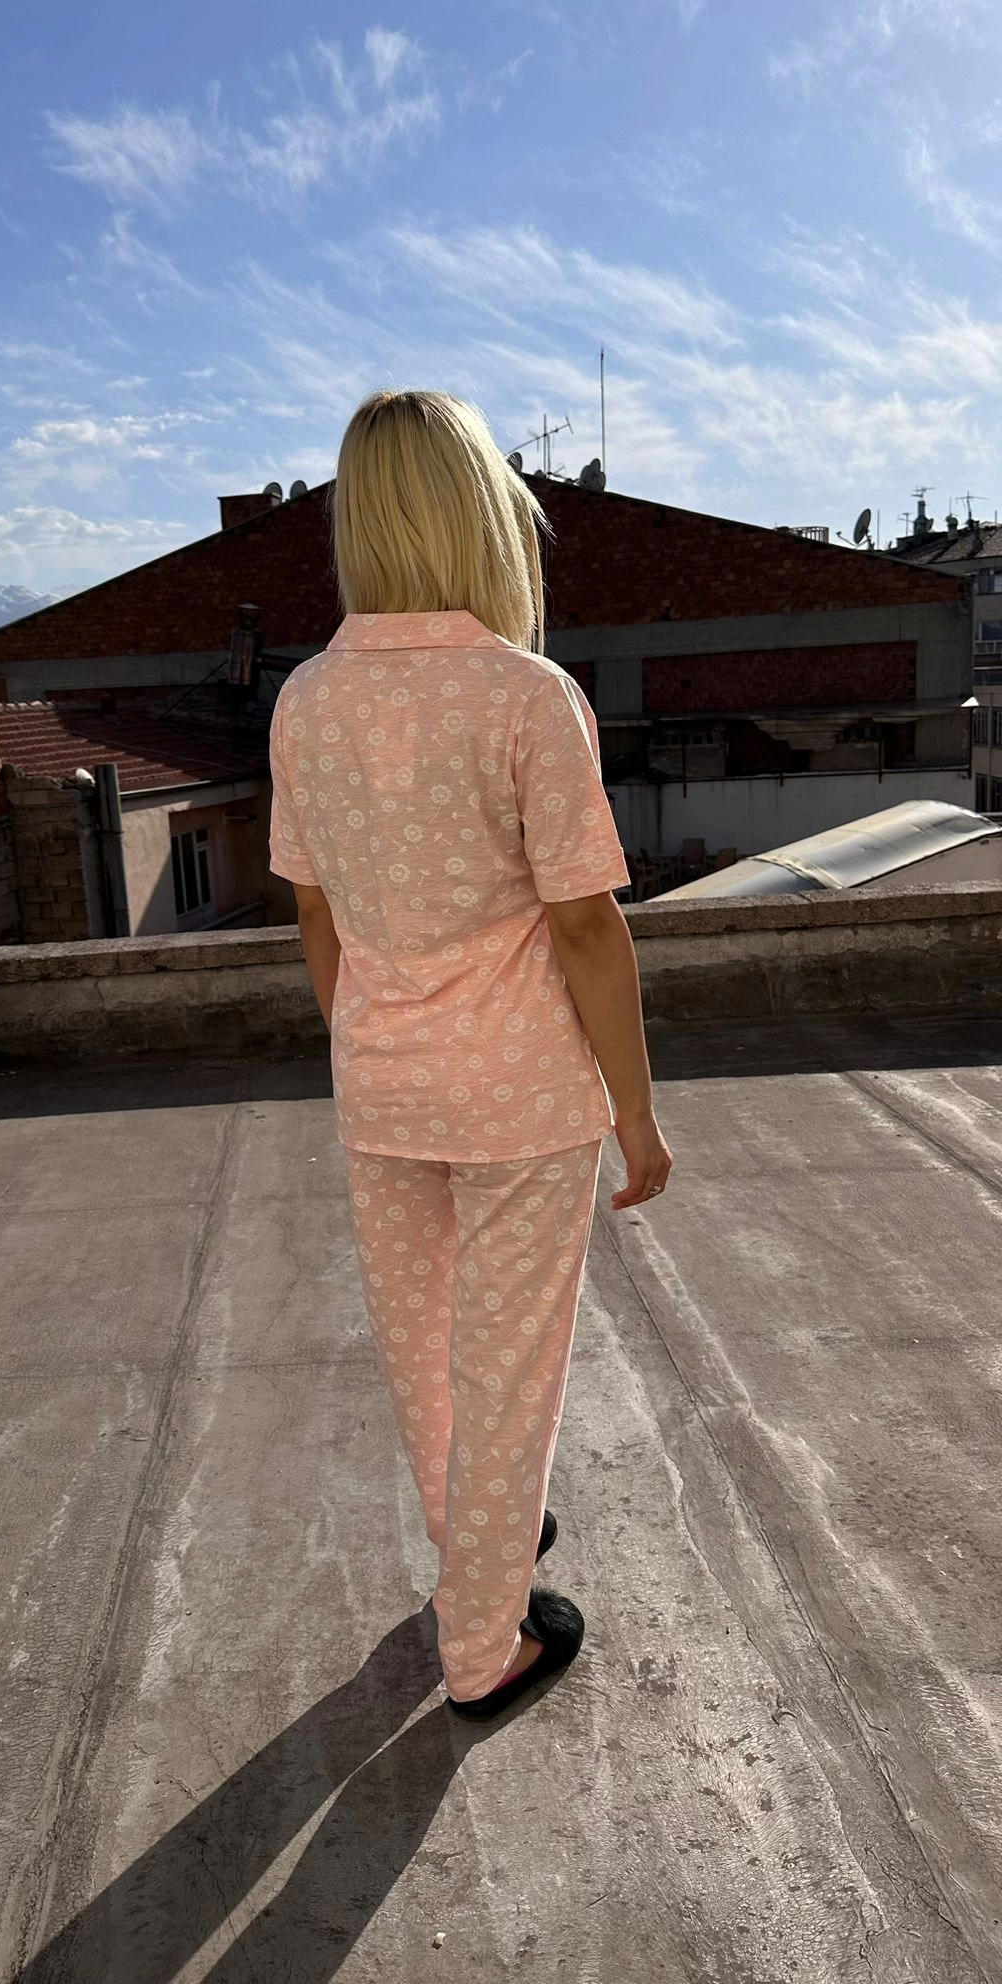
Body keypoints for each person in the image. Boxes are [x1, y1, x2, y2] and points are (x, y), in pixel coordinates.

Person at [268, 389, 672, 1721]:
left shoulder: (305, 702)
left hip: (381, 1082)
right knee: (509, 1368)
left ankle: (477, 1544)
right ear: (480, 515)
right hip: (521, 1096)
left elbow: (317, 918)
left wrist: (371, 1046)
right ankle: (483, 1647)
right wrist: (637, 1116)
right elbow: (587, 927)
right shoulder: (527, 695)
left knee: (424, 1348)